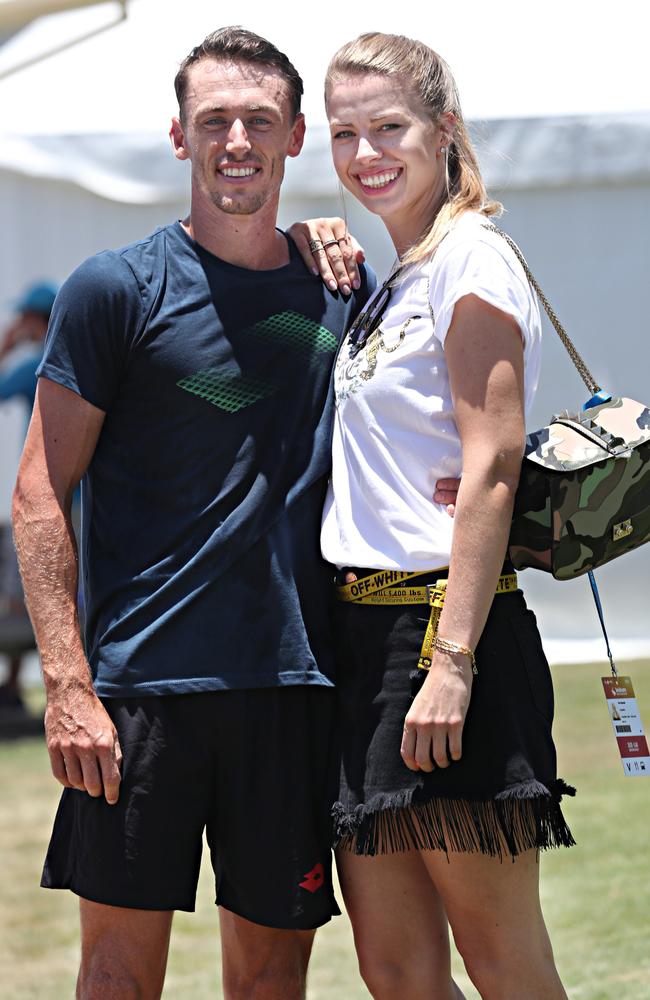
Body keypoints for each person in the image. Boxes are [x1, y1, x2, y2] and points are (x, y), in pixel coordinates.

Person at [11, 28, 376, 1000]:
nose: (236, 140)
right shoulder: (112, 291)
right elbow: (39, 490)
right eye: (213, 120)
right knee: (117, 976)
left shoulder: (339, 286)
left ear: (296, 136)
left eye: (259, 119)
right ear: (178, 136)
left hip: (292, 689)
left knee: (268, 981)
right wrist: (68, 681)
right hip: (137, 695)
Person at [291, 32, 575, 1000]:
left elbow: (490, 461)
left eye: (388, 127)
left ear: (442, 128)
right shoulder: (397, 274)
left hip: (444, 635)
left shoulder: (470, 259)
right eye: (343, 133)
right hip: (359, 639)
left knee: (500, 959)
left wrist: (449, 663)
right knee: (397, 971)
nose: (365, 153)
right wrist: (306, 238)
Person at [0, 280, 57, 718]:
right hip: (81, 493)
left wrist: (6, 343)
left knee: (25, 591)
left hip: (44, 492)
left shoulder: (35, 362)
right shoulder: (80, 353)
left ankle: (13, 686)